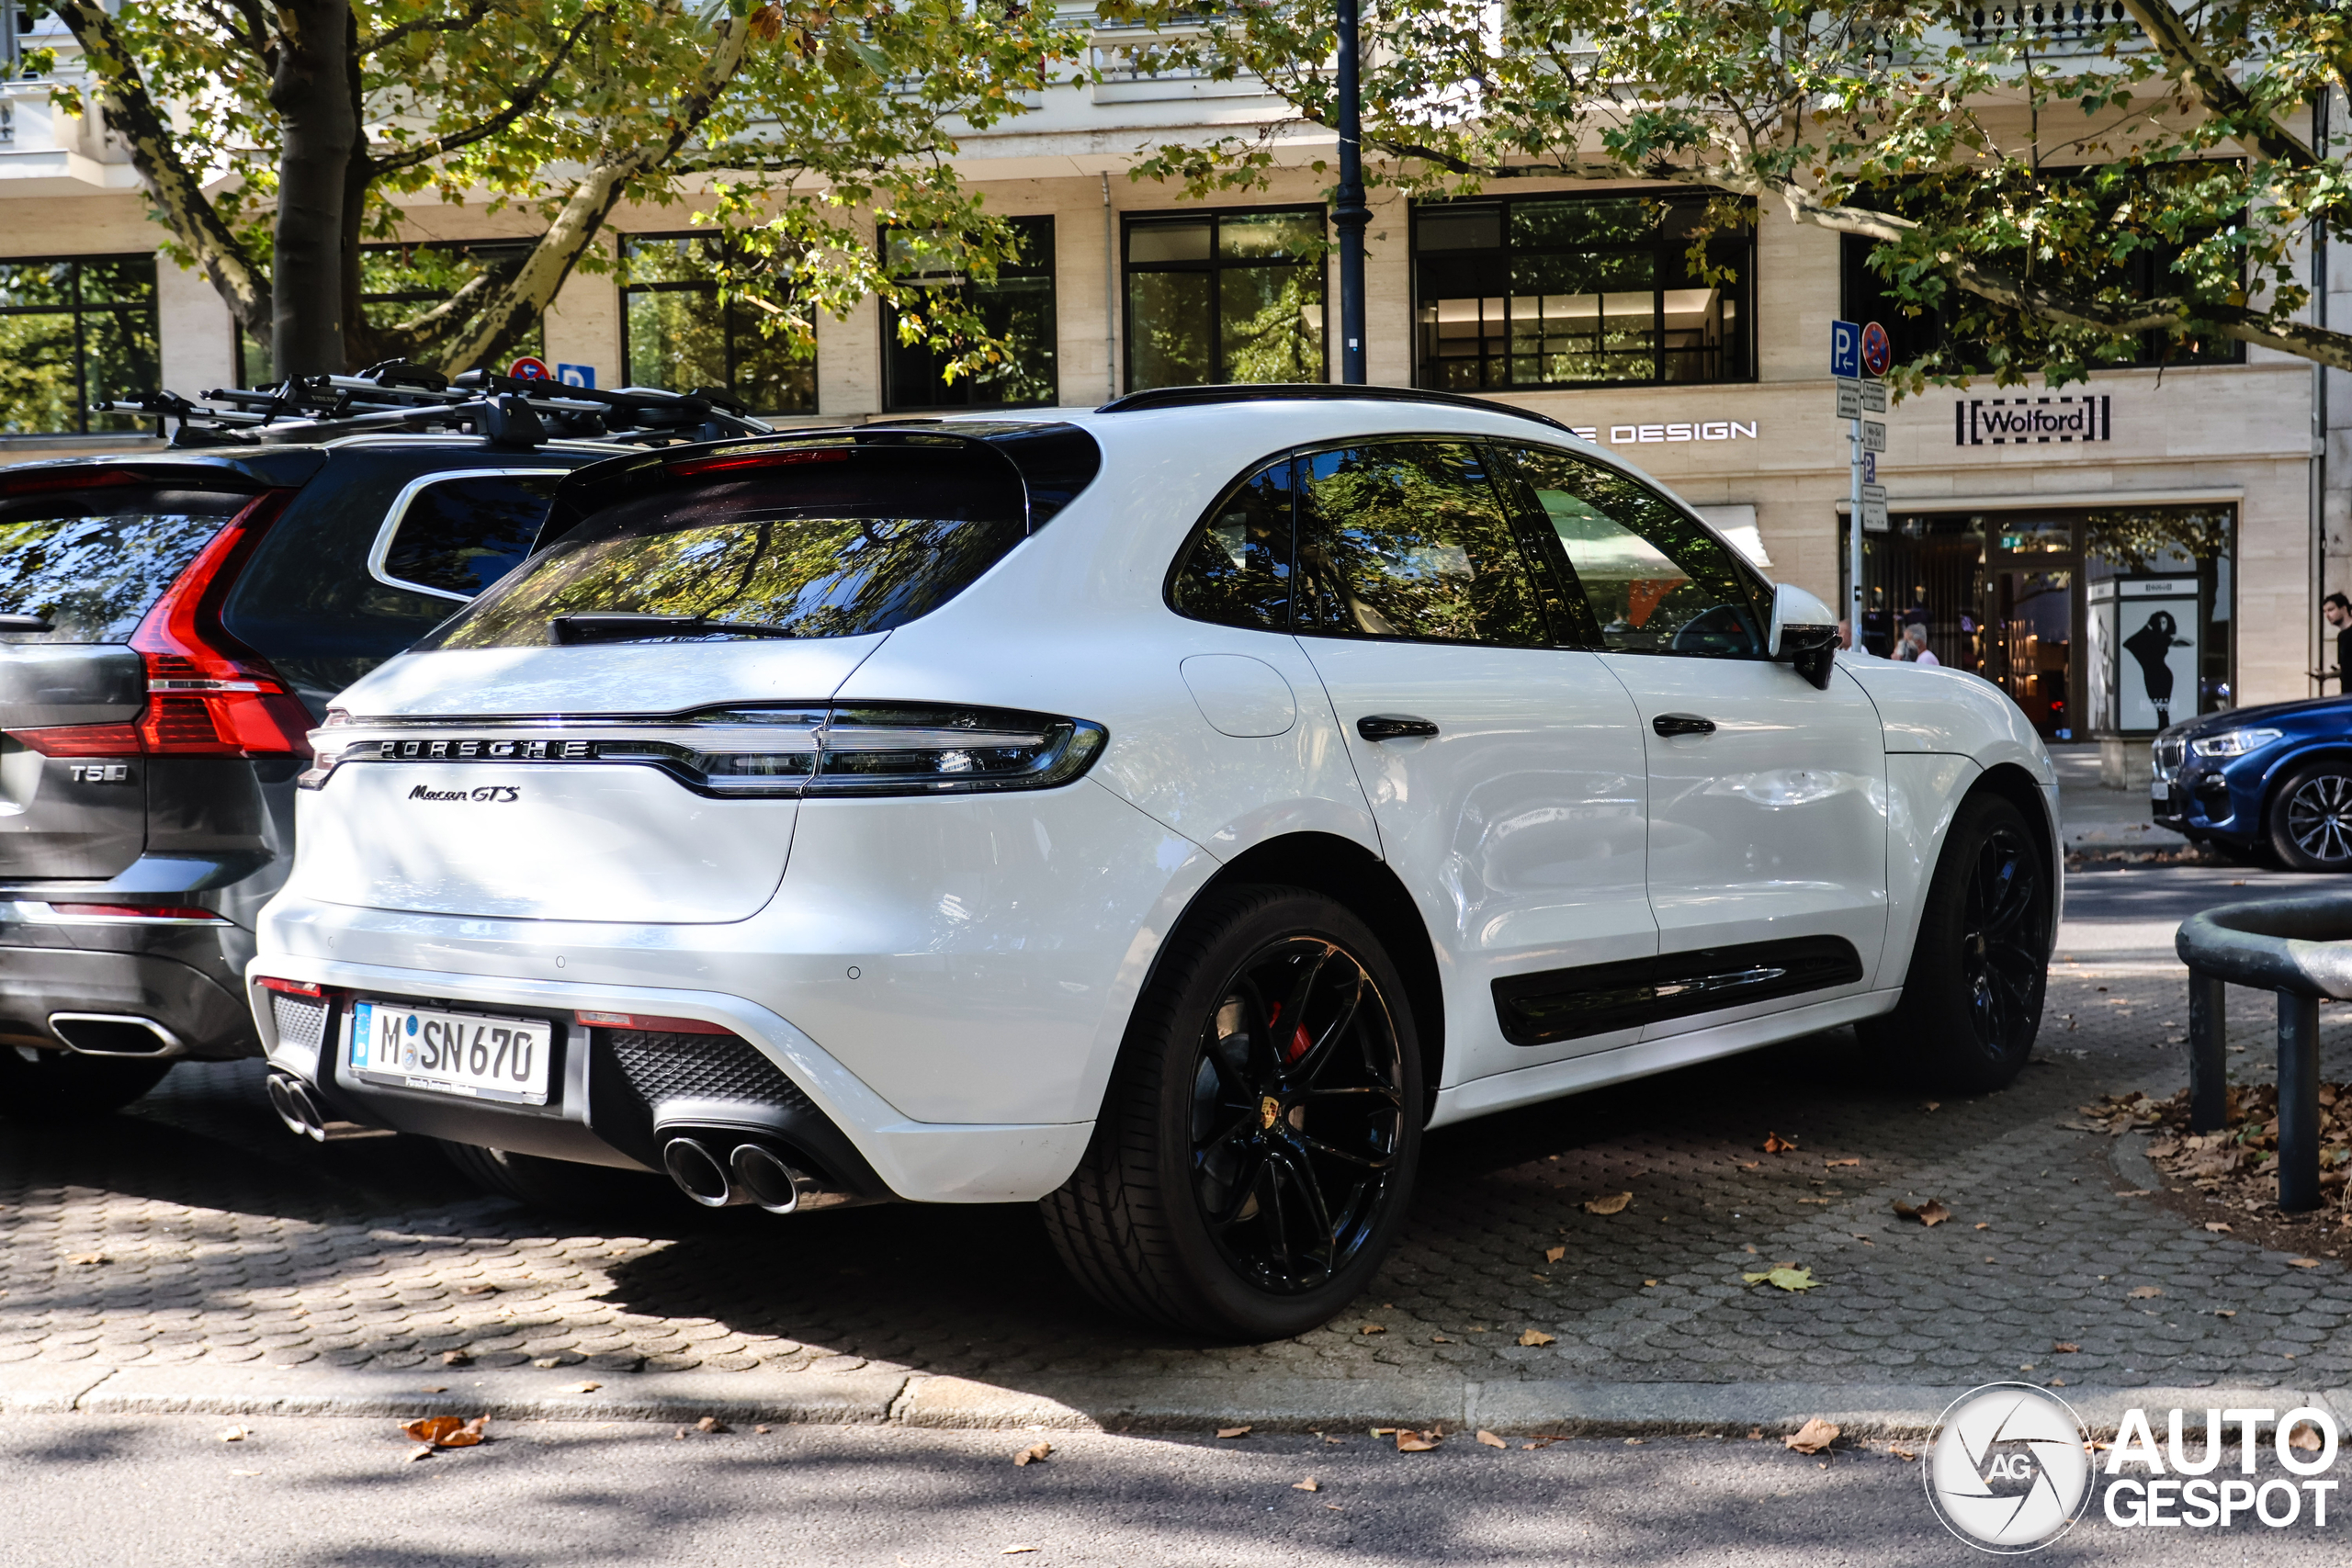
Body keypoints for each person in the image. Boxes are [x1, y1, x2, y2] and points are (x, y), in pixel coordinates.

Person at [2122, 609, 2189, 728]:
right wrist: (2148, 628)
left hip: (2163, 675)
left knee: (2163, 709)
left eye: (2165, 622)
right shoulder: (2148, 637)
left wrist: (2174, 637)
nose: (2163, 625)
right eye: (2161, 622)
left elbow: (2189, 642)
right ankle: (2163, 729)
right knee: (2159, 707)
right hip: (2150, 675)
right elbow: (2128, 643)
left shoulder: (2164, 638)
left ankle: (2163, 730)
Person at [2326, 592, 2352, 691]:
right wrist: (2327, 676)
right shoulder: (2342, 636)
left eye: (2331, 610)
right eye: (2325, 611)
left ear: (2344, 609)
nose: (2327, 615)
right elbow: (2346, 669)